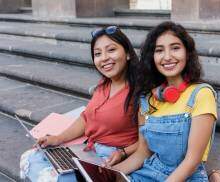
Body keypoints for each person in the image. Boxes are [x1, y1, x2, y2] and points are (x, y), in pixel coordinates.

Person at [19, 25, 139, 182]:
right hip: (88, 150)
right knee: (31, 156)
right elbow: (86, 117)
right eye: (97, 53)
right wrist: (58, 138)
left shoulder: (139, 91)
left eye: (111, 50)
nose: (104, 58)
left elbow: (149, 142)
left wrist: (123, 152)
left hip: (111, 159)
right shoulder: (104, 84)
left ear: (128, 53)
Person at [110, 21, 218, 181]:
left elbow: (192, 161)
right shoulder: (146, 99)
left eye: (175, 48)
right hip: (149, 171)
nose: (167, 57)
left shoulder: (201, 94)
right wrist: (110, 173)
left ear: (187, 53)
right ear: (152, 57)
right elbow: (143, 152)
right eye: (159, 50)